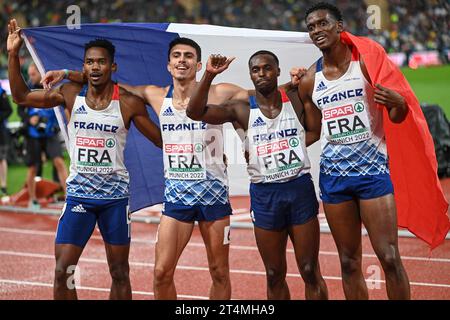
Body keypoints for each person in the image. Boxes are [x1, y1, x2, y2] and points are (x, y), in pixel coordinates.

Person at [42, 37, 302, 300]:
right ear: (168, 65)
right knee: (162, 273)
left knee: (219, 272)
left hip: (213, 197)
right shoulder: (155, 94)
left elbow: (262, 90)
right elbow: (102, 79)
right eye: (176, 56)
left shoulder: (219, 92)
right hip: (177, 198)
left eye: (188, 56)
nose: (182, 60)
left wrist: (293, 83)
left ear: (198, 64)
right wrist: (65, 73)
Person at [7, 19, 162, 300]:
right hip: (79, 197)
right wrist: (13, 54)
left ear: (112, 66)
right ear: (84, 67)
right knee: (62, 270)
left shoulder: (128, 102)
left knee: (119, 272)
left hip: (114, 200)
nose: (95, 67)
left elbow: (161, 140)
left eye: (101, 62)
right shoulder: (69, 95)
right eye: (89, 62)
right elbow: (20, 96)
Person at [186, 52, 328, 300]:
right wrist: (208, 75)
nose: (261, 74)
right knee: (274, 273)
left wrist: (286, 145)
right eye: (256, 70)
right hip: (265, 195)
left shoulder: (294, 97)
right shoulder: (240, 109)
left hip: (299, 189)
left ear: (278, 71)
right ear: (250, 75)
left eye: (267, 68)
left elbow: (314, 131)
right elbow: (194, 112)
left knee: (309, 269)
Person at [298, 3, 410, 299]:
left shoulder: (365, 64)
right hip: (334, 178)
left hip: (372, 173)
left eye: (323, 23)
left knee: (388, 257)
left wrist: (399, 103)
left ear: (339, 26)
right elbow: (313, 131)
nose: (317, 30)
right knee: (348, 262)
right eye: (311, 27)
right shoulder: (311, 80)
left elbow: (397, 117)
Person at [17, 63, 68, 208]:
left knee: (59, 162)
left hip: (50, 132)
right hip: (33, 135)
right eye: (30, 74)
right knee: (33, 167)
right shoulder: (26, 88)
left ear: (41, 74)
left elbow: (61, 109)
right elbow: (20, 110)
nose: (31, 77)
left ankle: (68, 197)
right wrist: (29, 119)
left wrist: (56, 125)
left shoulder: (52, 87)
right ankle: (32, 200)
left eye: (33, 74)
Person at [0, 84, 12, 196]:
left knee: (1, 159)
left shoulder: (1, 91)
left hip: (1, 131)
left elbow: (8, 110)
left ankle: (3, 186)